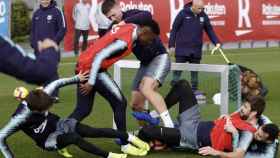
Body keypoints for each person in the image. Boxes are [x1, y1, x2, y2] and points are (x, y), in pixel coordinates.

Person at [0, 73, 150, 158]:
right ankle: (110, 156)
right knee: (74, 138)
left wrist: (76, 79)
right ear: (36, 110)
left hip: (58, 124)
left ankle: (130, 138)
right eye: (45, 108)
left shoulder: (42, 93)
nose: (48, 109)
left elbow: (57, 83)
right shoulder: (19, 118)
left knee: (91, 131)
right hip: (47, 139)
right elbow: (1, 137)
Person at [68, 20, 161, 142]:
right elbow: (99, 57)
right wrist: (91, 82)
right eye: (150, 39)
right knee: (120, 103)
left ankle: (59, 135)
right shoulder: (124, 42)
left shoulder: (131, 27)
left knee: (83, 109)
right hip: (91, 70)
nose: (150, 42)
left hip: (83, 66)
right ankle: (124, 142)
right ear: (144, 32)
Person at [138, 80, 268, 157]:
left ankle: (159, 141)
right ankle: (156, 115)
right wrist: (227, 117)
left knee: (145, 131)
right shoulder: (242, 115)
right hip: (194, 121)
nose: (241, 109)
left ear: (253, 113)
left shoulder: (248, 132)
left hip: (191, 137)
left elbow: (238, 155)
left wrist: (216, 152)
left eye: (245, 107)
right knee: (183, 85)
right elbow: (234, 116)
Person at [99, 0, 174, 128]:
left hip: (159, 57)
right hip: (144, 64)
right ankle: (146, 132)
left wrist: (123, 23)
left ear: (118, 7)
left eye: (113, 15)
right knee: (136, 105)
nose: (113, 18)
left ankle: (171, 127)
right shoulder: (113, 28)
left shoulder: (131, 15)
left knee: (146, 89)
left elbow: (147, 15)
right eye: (109, 18)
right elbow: (105, 43)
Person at [169, 0, 221, 92]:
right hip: (182, 49)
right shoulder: (182, 14)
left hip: (196, 50)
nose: (201, 10)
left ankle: (194, 92)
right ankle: (174, 90)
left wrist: (216, 42)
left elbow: (209, 30)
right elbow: (174, 30)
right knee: (177, 72)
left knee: (195, 73)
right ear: (193, 6)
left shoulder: (203, 15)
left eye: (203, 8)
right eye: (199, 8)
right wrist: (171, 45)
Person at [30, 0, 67, 100]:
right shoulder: (36, 13)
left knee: (52, 71)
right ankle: (45, 94)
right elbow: (32, 32)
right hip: (39, 49)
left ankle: (54, 95)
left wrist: (53, 42)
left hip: (52, 49)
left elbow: (63, 29)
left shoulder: (57, 11)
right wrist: (34, 44)